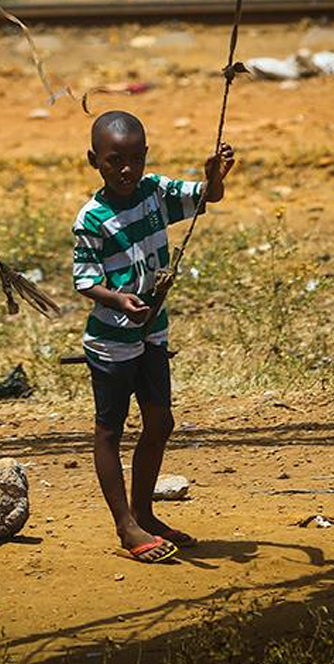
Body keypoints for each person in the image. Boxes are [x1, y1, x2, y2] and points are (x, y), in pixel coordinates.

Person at [71, 110, 236, 563]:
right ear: (94, 161)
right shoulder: (92, 218)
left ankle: (144, 512)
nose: (126, 170)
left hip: (152, 332)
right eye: (113, 161)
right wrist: (118, 300)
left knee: (160, 421)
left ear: (146, 157)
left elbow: (206, 200)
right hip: (111, 340)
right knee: (110, 429)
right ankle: (126, 526)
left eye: (134, 160)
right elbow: (85, 281)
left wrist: (212, 178)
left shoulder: (156, 192)